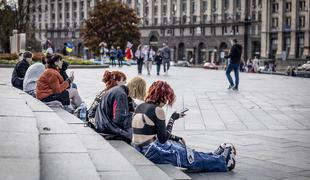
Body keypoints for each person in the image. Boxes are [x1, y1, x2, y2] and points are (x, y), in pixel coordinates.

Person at [132, 81, 236, 172]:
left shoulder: (140, 107)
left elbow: (152, 132)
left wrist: (176, 138)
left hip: (141, 147)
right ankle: (224, 162)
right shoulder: (157, 110)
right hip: (152, 149)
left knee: (181, 148)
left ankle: (212, 156)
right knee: (186, 157)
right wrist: (173, 118)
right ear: (162, 96)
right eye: (167, 98)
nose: (167, 102)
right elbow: (163, 138)